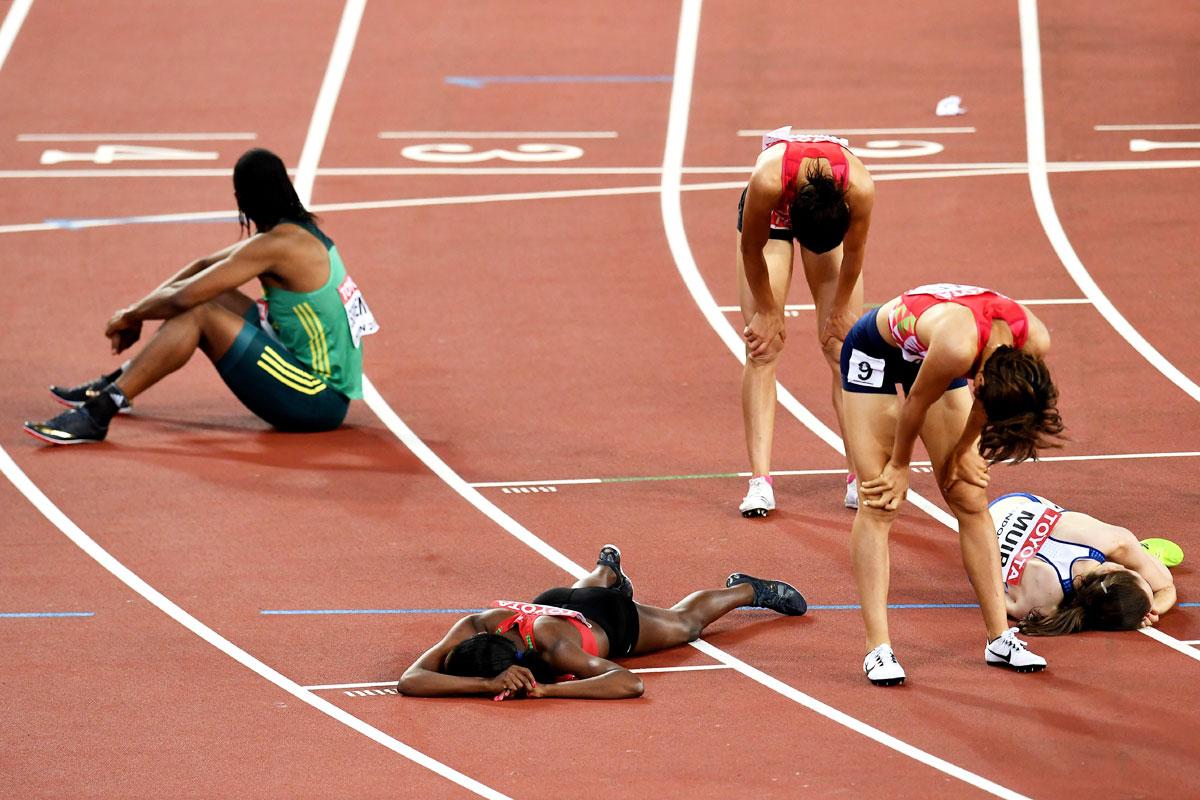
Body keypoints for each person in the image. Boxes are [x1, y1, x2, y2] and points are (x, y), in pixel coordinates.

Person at [24, 148, 377, 445]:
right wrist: (136, 311)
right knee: (214, 294)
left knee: (199, 311)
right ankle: (115, 384)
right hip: (306, 376)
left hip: (318, 399)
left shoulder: (277, 246)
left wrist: (129, 316)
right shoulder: (297, 234)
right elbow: (202, 266)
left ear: (244, 199)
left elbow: (184, 300)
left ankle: (101, 411)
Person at [839, 283, 1065, 685]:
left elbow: (987, 402)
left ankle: (999, 638)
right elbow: (915, 405)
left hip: (940, 357)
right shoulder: (959, 350)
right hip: (877, 350)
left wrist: (963, 451)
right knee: (880, 501)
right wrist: (899, 466)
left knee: (969, 497)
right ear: (978, 378)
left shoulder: (1034, 341)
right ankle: (878, 648)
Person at [397, 545, 807, 700]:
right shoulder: (474, 626)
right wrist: (485, 684)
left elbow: (630, 683)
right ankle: (604, 572)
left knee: (685, 624)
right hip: (556, 602)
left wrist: (546, 693)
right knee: (585, 593)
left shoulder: (557, 652)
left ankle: (747, 591)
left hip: (609, 621)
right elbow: (410, 680)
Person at [737, 126, 875, 517]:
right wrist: (766, 311)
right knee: (763, 349)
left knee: (842, 347)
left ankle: (858, 478)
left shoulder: (859, 189)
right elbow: (751, 250)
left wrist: (841, 310)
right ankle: (759, 483)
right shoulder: (766, 182)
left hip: (825, 213)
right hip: (771, 219)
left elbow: (854, 253)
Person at [989, 492, 1177, 634]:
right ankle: (1143, 552)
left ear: (1115, 567)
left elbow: (1167, 586)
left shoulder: (1114, 540)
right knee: (1156, 570)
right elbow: (1166, 587)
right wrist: (1151, 610)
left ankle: (1142, 552)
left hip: (1017, 503)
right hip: (984, 538)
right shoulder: (1045, 608)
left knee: (1131, 550)